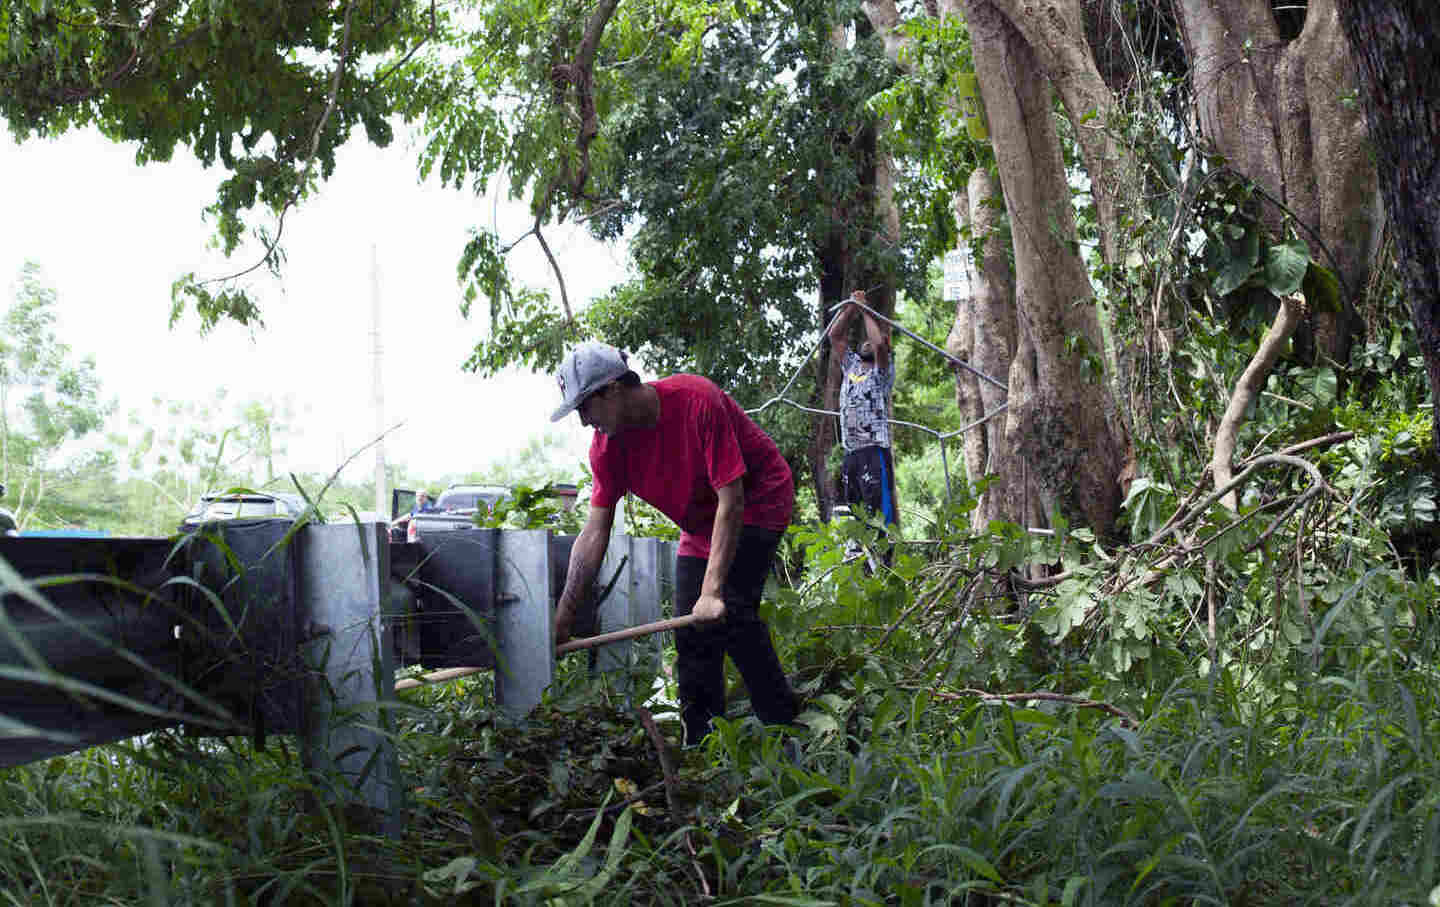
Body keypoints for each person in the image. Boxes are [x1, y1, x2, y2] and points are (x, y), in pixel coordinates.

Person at [549, 341, 799, 747]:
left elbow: (731, 500)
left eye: (584, 408)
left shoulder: (696, 401)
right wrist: (563, 617)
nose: (583, 422)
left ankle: (785, 726)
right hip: (702, 522)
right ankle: (703, 745)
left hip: (757, 501)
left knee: (730, 612)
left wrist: (713, 590)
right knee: (691, 634)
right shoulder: (607, 449)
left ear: (611, 390)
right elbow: (595, 533)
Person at [829, 288, 899, 530]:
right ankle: (863, 563)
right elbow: (835, 336)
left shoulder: (883, 372)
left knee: (880, 519)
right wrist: (851, 308)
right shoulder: (852, 366)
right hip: (851, 455)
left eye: (875, 339)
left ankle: (885, 565)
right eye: (866, 340)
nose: (869, 341)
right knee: (858, 521)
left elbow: (879, 344)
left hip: (873, 452)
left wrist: (865, 310)